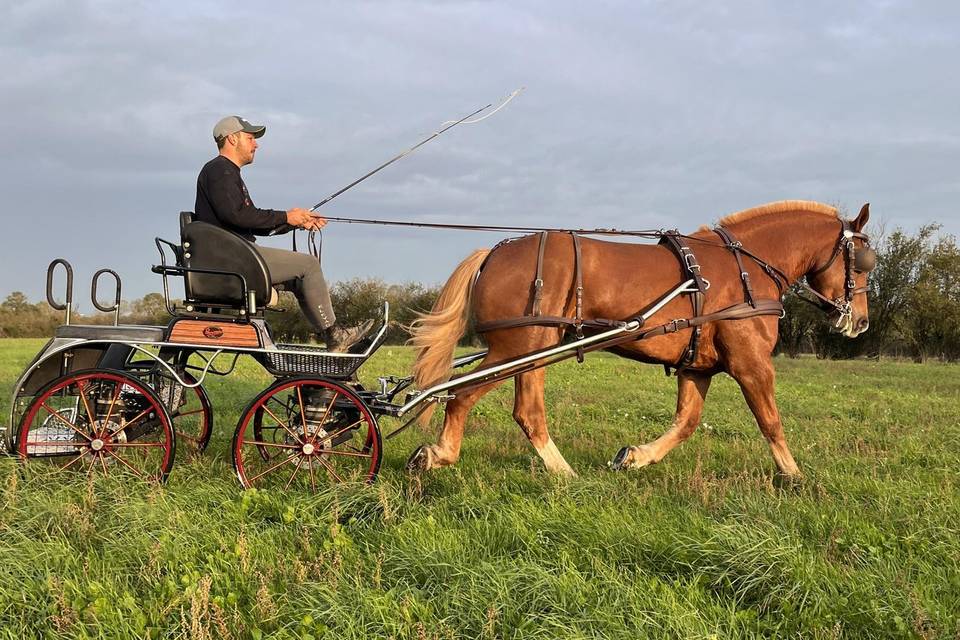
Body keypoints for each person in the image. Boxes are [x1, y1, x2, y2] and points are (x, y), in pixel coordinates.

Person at [195, 115, 372, 351]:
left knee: (299, 276)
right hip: (233, 262)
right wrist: (287, 216)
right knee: (308, 266)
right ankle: (335, 336)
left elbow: (248, 220)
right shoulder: (220, 170)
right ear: (232, 139)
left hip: (237, 256)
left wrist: (296, 221)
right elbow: (237, 216)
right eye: (250, 138)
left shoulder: (225, 172)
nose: (256, 144)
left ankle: (332, 339)